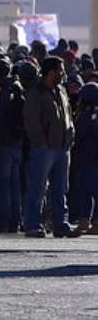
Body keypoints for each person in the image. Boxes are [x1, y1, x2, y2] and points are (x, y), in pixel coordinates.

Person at [23, 56, 80, 238]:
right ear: (51, 72)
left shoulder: (61, 90)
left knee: (61, 189)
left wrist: (70, 135)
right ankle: (33, 225)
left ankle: (60, 224)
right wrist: (41, 141)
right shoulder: (36, 92)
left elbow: (68, 115)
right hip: (44, 149)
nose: (63, 73)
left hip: (63, 148)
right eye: (60, 70)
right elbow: (31, 120)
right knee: (38, 188)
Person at [0, 59, 27, 233]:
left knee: (2, 185)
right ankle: (15, 221)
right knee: (14, 185)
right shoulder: (18, 88)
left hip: (0, 143)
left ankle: (2, 220)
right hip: (16, 143)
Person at [73, 82, 98, 234]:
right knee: (87, 190)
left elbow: (79, 135)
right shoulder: (89, 114)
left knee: (90, 190)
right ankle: (86, 221)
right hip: (88, 157)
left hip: (90, 157)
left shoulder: (88, 115)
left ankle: (92, 222)